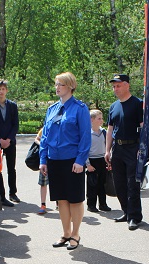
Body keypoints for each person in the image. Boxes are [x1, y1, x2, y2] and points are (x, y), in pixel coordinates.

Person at [39, 72, 91, 251]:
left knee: (75, 199)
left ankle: (75, 234)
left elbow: (85, 136)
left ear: (70, 86)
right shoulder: (52, 109)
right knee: (61, 199)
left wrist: (80, 160)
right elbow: (45, 137)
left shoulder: (80, 108)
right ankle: (66, 233)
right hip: (54, 160)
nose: (57, 87)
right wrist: (43, 159)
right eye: (56, 84)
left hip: (72, 161)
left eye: (60, 84)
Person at [104, 74, 144, 230]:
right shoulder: (113, 106)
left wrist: (142, 149)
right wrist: (107, 150)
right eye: (114, 86)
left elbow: (143, 128)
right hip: (118, 149)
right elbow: (110, 130)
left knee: (132, 184)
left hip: (133, 148)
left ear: (127, 85)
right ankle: (126, 212)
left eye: (118, 85)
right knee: (119, 184)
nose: (115, 89)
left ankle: (134, 216)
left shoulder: (137, 104)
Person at [86, 109, 111, 213]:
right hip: (92, 160)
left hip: (102, 160)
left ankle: (103, 204)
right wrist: (87, 164)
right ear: (91, 120)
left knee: (102, 183)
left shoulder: (104, 132)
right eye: (99, 118)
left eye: (102, 118)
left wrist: (108, 161)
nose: (101, 121)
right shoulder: (87, 133)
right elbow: (84, 150)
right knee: (92, 184)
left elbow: (108, 146)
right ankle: (91, 205)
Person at [34, 128, 49, 215]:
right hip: (44, 160)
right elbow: (37, 139)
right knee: (43, 183)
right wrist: (42, 144)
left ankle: (59, 203)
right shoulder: (44, 129)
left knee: (58, 183)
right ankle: (43, 205)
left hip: (56, 158)